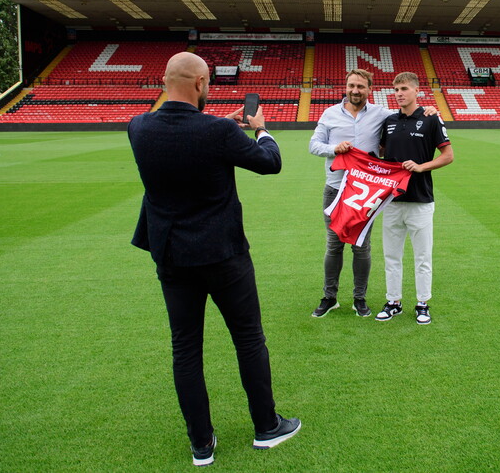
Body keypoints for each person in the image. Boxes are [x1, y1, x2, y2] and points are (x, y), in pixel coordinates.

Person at [128, 52, 300, 467]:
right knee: (248, 339)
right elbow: (269, 163)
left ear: (165, 80)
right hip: (223, 255)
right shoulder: (219, 131)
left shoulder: (138, 127)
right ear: (202, 83)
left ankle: (201, 444)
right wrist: (260, 130)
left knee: (185, 350)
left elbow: (186, 134)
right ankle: (266, 427)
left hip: (172, 256)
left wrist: (222, 124)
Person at [308, 69, 437, 318]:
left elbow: (409, 112)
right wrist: (335, 149)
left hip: (367, 190)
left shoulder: (382, 114)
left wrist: (429, 109)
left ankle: (360, 298)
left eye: (361, 87)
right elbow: (313, 145)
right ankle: (329, 297)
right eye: (351, 86)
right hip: (336, 188)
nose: (355, 90)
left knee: (361, 246)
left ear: (369, 89)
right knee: (334, 245)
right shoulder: (330, 113)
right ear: (345, 87)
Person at [375, 72, 453, 325]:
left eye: (404, 88)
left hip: (420, 200)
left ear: (417, 91)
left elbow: (447, 156)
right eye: (396, 88)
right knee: (391, 255)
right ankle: (393, 302)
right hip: (392, 201)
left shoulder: (430, 119)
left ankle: (422, 303)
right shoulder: (389, 121)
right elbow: (382, 153)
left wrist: (421, 167)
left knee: (422, 256)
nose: (399, 93)